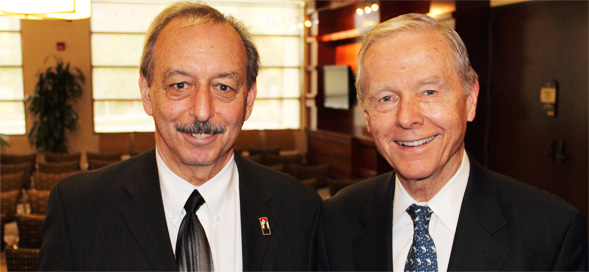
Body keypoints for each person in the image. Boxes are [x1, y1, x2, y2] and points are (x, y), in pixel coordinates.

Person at [39, 2, 321, 270]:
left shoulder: (300, 210)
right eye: (180, 85)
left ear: (248, 100)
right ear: (147, 93)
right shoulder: (80, 210)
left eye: (223, 87)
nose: (201, 111)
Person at [319, 13, 588, 271]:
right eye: (386, 98)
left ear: (470, 100)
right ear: (367, 115)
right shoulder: (335, 221)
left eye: (429, 91)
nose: (407, 118)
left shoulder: (551, 232)